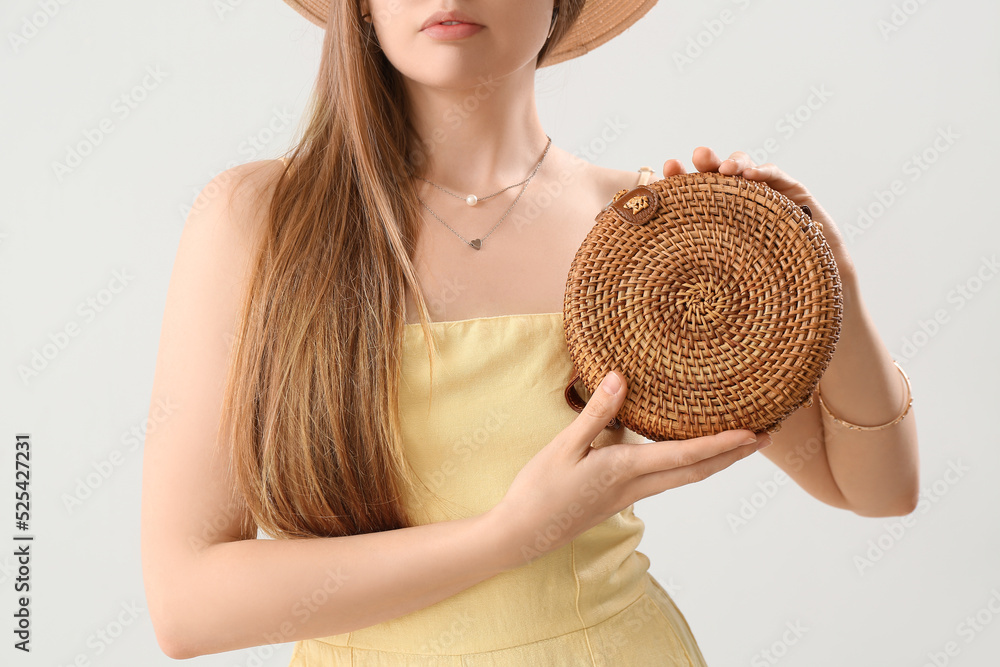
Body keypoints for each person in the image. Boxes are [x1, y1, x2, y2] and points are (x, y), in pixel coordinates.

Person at [140, 1, 920, 664]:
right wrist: (512, 533)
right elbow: (187, 604)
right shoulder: (256, 220)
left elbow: (875, 489)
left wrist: (825, 275)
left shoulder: (647, 237)